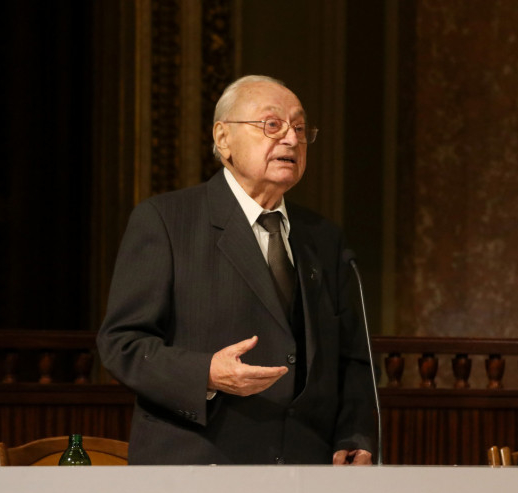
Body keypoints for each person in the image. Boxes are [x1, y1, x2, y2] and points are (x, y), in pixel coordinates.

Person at [97, 75, 376, 465]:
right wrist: (206, 374)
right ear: (223, 137)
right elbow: (122, 344)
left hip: (306, 470)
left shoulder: (324, 239)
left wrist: (355, 434)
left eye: (299, 128)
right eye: (272, 125)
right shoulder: (166, 221)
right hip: (200, 463)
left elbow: (353, 359)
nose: (291, 139)